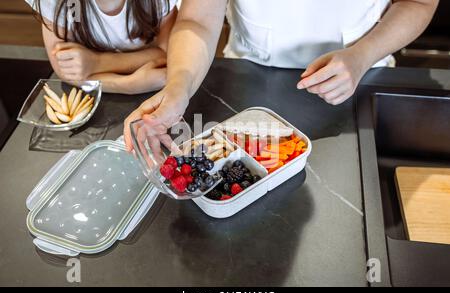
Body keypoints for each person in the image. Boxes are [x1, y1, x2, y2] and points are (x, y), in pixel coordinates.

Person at [122, 0, 438, 151]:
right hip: (247, 85)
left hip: (362, 81)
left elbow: (419, 3)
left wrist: (363, 54)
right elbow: (198, 19)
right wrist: (179, 86)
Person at [26, 0, 178, 94]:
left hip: (157, 88)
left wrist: (96, 63)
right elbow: (67, 71)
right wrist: (129, 85)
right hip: (98, 97)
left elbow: (168, 54)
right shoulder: (60, 3)